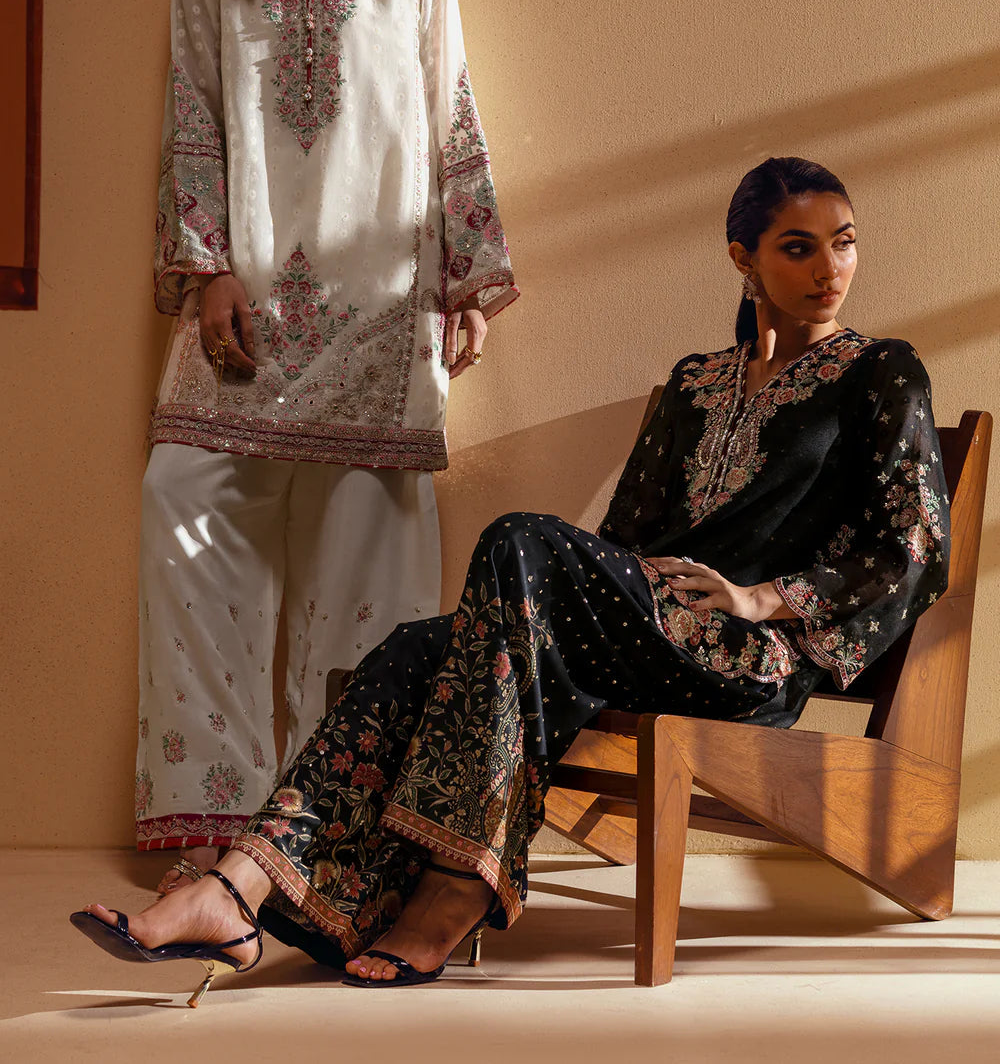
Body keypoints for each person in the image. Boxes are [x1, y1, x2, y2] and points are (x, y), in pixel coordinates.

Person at [78, 157, 948, 992]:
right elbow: (622, 541)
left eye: (844, 242)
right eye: (799, 247)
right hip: (650, 636)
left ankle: (458, 882)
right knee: (418, 650)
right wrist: (620, 590)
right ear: (743, 259)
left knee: (519, 541)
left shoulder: (880, 372)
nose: (830, 268)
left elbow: (914, 545)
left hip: (742, 659)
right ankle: (237, 887)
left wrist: (760, 598)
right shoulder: (697, 384)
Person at [136, 0, 517, 889]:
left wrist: (462, 278)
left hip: (381, 304)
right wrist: (206, 269)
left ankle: (326, 837)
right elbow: (195, 112)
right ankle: (212, 819)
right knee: (184, 513)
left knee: (372, 574)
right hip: (250, 295)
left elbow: (450, 109)